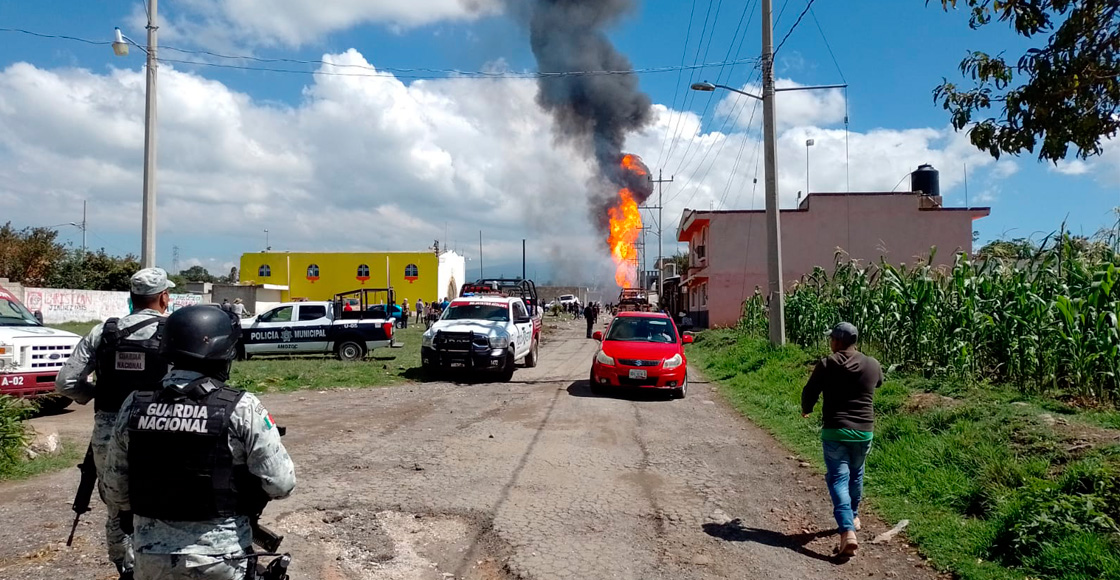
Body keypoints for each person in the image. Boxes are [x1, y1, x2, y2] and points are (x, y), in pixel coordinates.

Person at [102, 305, 296, 580]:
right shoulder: (242, 407)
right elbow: (281, 484)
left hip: (151, 560)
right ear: (222, 355)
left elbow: (115, 492)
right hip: (221, 559)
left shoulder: (134, 404)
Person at [55, 268, 176, 580]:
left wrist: (100, 395)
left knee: (116, 504)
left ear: (131, 299)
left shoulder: (103, 333)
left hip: (107, 432)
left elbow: (66, 382)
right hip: (158, 430)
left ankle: (125, 568)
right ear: (164, 297)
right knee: (160, 499)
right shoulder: (175, 331)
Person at [800, 322, 883, 558]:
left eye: (831, 339)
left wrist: (807, 408)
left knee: (838, 478)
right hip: (864, 431)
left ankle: (847, 529)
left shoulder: (827, 364)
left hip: (836, 430)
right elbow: (878, 382)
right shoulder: (872, 364)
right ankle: (854, 516)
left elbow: (810, 391)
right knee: (856, 474)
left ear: (837, 341)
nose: (830, 342)